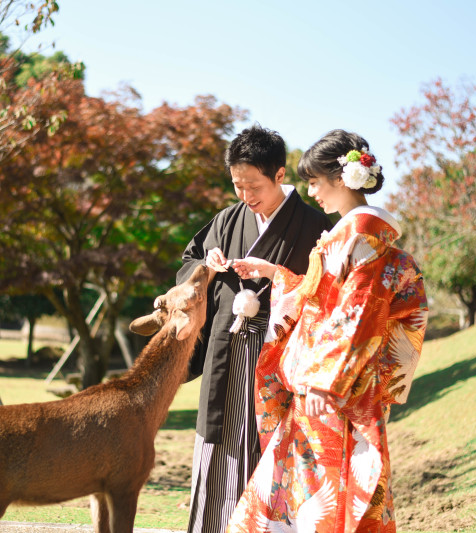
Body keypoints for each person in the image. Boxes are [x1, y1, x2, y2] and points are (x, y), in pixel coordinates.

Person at [226, 129, 428, 533]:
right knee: (306, 490)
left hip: (336, 393)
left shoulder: (361, 237)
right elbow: (319, 298)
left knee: (324, 491)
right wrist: (275, 274)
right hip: (326, 386)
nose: (313, 192)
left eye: (316, 182)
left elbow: (357, 315)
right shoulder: (349, 235)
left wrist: (325, 383)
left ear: (342, 179)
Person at [177, 124, 332, 533]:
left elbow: (326, 295)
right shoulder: (228, 220)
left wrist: (274, 276)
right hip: (225, 357)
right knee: (219, 455)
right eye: (237, 186)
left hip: (279, 364)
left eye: (254, 186)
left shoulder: (315, 227)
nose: (245, 197)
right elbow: (188, 265)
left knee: (273, 455)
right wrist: (203, 269)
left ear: (280, 175)